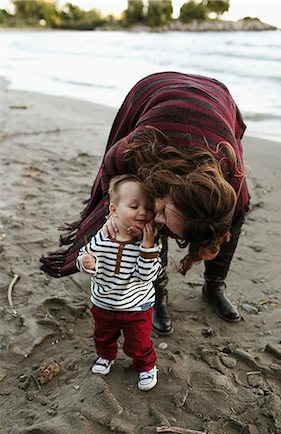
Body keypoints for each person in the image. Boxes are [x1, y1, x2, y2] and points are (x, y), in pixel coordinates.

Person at [40, 71, 250, 335]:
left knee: (233, 217)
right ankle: (157, 295)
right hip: (156, 91)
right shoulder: (140, 147)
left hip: (217, 104)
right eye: (163, 210)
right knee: (141, 217)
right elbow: (111, 174)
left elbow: (219, 220)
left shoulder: (229, 170)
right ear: (167, 187)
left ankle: (214, 286)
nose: (159, 219)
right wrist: (116, 216)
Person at [77, 174, 161, 391]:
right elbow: (85, 255)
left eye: (149, 208)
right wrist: (86, 262)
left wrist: (148, 246)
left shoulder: (149, 246)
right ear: (114, 211)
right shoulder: (102, 238)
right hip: (103, 302)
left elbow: (147, 276)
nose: (143, 212)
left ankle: (146, 366)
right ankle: (106, 356)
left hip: (137, 307)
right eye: (134, 206)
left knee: (139, 343)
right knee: (103, 336)